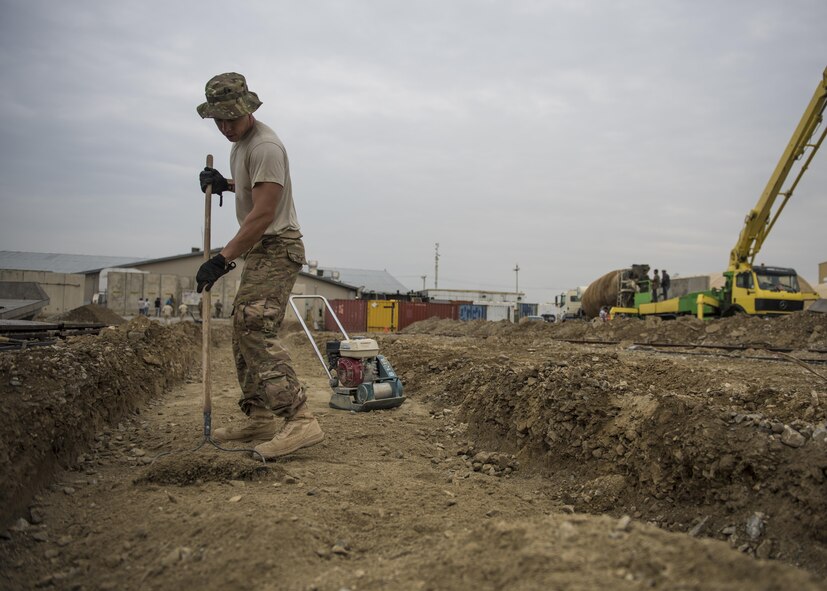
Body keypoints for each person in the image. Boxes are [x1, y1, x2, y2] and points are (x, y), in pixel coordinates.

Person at [195, 72, 323, 459]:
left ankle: (299, 419)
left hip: (276, 246)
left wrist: (222, 259)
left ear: (247, 109)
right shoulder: (242, 144)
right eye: (219, 120)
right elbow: (254, 188)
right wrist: (226, 183)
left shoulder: (265, 145)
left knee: (254, 325)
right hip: (260, 248)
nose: (226, 127)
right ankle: (259, 414)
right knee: (241, 325)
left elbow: (264, 212)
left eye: (231, 118)